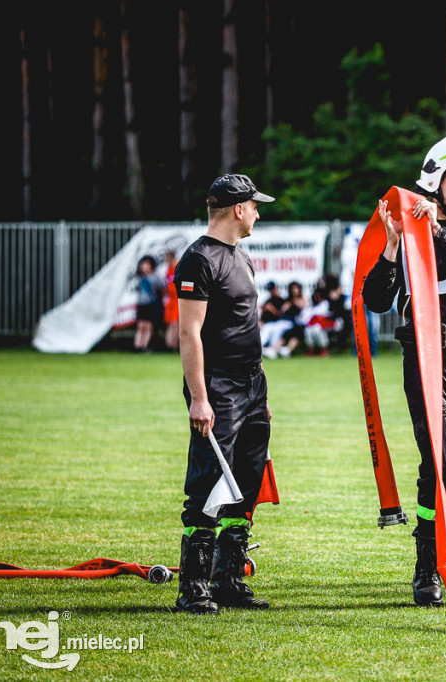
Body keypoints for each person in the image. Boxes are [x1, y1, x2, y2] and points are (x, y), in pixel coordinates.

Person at [362, 133, 446, 607]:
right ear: (434, 182)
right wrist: (394, 245)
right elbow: (376, 300)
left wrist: (436, 231)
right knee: (442, 462)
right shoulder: (404, 225)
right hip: (423, 357)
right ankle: (429, 569)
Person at [172, 173, 275, 615]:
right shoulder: (198, 259)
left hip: (252, 385)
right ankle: (193, 587)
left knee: (245, 484)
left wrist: (260, 392)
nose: (257, 212)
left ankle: (229, 579)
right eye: (254, 205)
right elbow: (189, 333)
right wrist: (199, 397)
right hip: (218, 387)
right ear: (238, 209)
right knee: (209, 482)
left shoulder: (242, 258)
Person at [261, 281, 307, 359]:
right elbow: (281, 313)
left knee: (278, 327)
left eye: (296, 288)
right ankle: (268, 349)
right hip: (282, 321)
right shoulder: (287, 300)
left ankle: (273, 349)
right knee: (271, 327)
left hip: (293, 322)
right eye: (293, 289)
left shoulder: (302, 299)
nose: (294, 290)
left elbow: (304, 308)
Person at [133, 255, 163, 353]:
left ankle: (145, 345)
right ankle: (138, 346)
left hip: (150, 304)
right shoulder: (140, 278)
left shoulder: (155, 278)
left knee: (148, 326)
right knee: (141, 325)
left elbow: (161, 291)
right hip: (142, 304)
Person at [163, 249, 180, 351]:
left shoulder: (177, 267)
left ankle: (174, 344)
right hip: (171, 299)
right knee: (170, 322)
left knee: (175, 322)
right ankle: (169, 344)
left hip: (177, 298)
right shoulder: (168, 269)